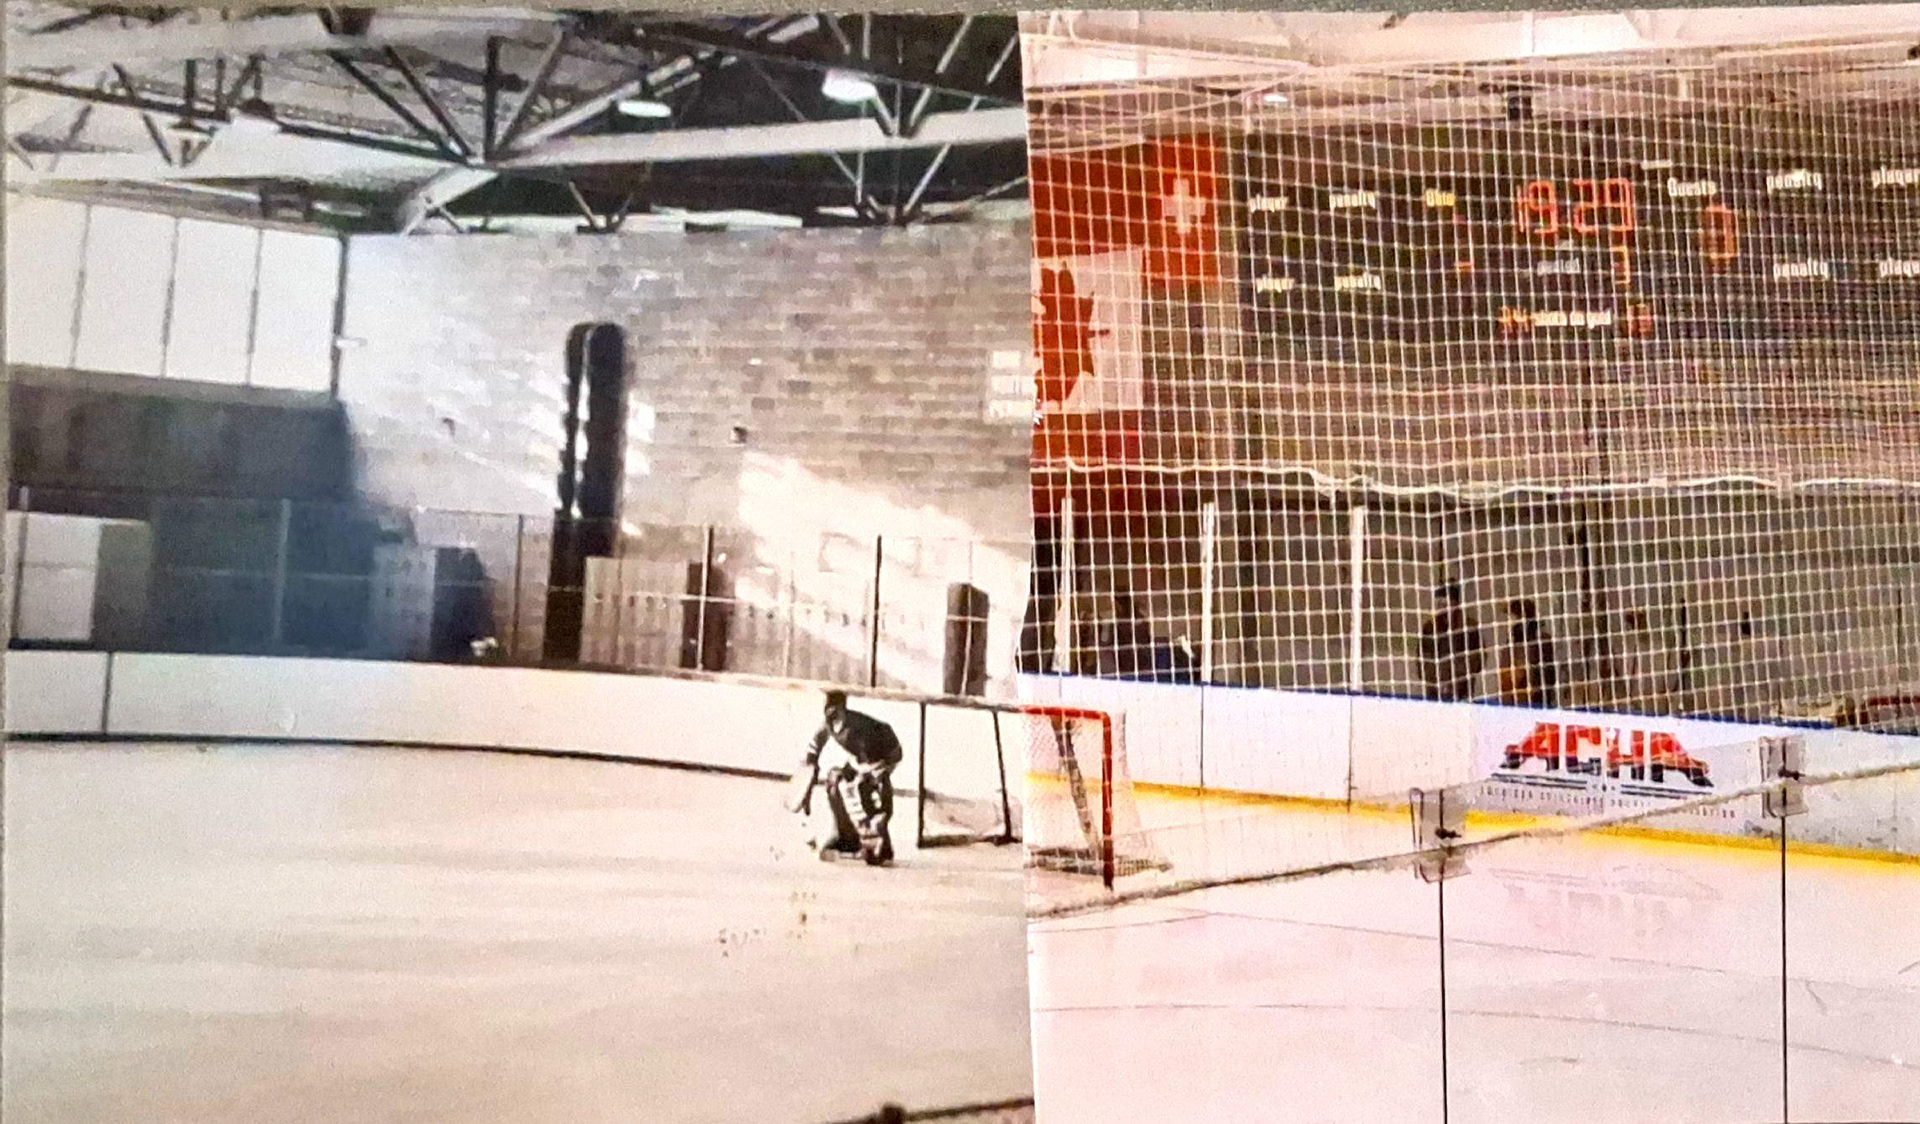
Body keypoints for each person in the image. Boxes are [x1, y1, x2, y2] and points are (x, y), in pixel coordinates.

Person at [788, 690, 903, 865]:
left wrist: (866, 780)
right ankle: (846, 836)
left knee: (863, 787)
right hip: (859, 756)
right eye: (827, 708)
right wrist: (809, 773)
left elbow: (877, 772)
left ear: (842, 709)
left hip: (886, 751)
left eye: (834, 709)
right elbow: (813, 749)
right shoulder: (828, 724)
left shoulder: (858, 730)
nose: (830, 714)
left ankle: (881, 839)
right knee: (834, 781)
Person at [1418, 580, 1485, 701]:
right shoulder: (1429, 628)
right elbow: (1423, 660)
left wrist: (1453, 679)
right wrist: (1438, 678)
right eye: (1440, 604)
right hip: (1434, 692)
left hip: (1462, 692)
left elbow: (1476, 660)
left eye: (1446, 603)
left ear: (1456, 603)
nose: (1442, 607)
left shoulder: (1470, 628)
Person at [1498, 597, 1561, 708]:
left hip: (1533, 702)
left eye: (1514, 617)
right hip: (1513, 703)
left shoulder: (1541, 642)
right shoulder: (1512, 644)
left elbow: (1546, 676)